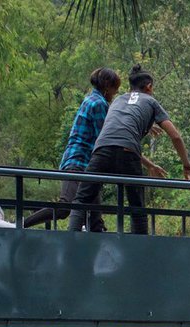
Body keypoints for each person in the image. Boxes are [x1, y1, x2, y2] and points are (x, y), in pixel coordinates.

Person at [68, 64, 190, 234]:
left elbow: (118, 127)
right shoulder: (151, 101)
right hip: (128, 153)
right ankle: (139, 251)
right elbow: (175, 136)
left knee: (81, 200)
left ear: (130, 87)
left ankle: (68, 242)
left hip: (101, 150)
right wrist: (187, 166)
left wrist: (146, 128)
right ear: (149, 87)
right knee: (137, 207)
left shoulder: (117, 100)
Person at [24, 68, 122, 230]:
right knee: (65, 207)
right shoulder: (99, 104)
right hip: (78, 163)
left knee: (95, 219)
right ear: (107, 86)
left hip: (88, 167)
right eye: (115, 88)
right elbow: (105, 138)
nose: (116, 92)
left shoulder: (91, 99)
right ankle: (20, 225)